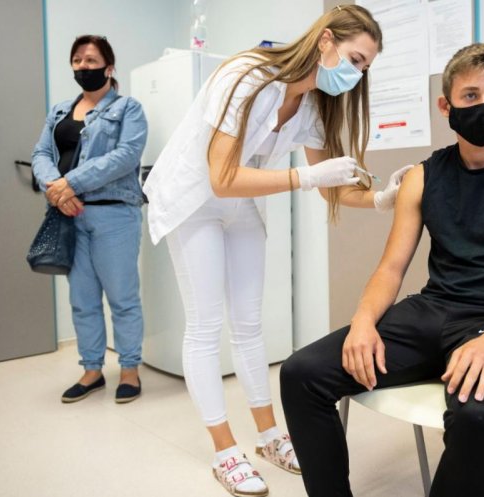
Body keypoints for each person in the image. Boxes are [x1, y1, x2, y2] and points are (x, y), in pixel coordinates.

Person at [280, 42, 484, 497]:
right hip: (430, 312)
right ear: (446, 106)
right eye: (470, 95)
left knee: (478, 417)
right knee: (301, 374)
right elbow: (390, 268)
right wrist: (363, 322)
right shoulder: (423, 176)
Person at [143, 5, 411, 497]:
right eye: (355, 59)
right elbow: (222, 177)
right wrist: (307, 176)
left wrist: (381, 199)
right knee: (205, 324)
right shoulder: (245, 76)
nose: (356, 75)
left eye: (365, 67)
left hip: (241, 202)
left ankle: (268, 435)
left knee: (249, 323)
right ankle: (225, 450)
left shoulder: (311, 104)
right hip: (194, 198)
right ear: (325, 40)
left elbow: (330, 188)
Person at [32, 35, 148, 404]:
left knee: (122, 298)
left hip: (114, 214)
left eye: (91, 60)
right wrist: (57, 190)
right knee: (82, 299)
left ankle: (129, 369)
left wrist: (71, 183)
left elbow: (126, 156)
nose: (83, 66)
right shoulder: (59, 112)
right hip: (69, 213)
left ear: (109, 68)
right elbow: (40, 154)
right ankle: (92, 370)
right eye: (77, 60)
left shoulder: (128, 108)